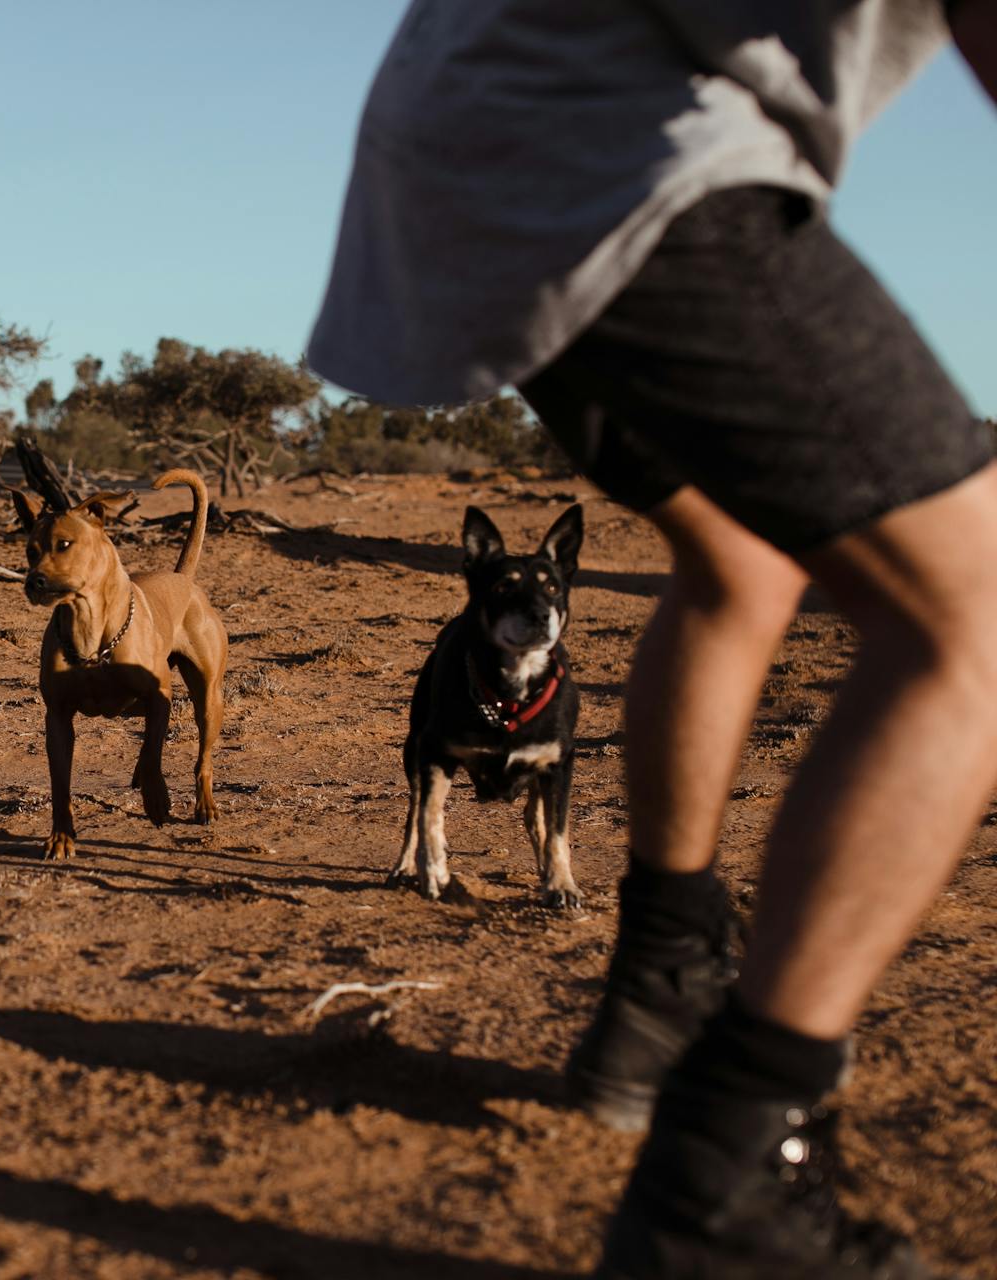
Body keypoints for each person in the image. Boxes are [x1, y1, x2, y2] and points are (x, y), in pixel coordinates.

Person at [308, 3, 997, 1276]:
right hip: (620, 153)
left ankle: (662, 981)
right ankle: (730, 1160)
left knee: (743, 558)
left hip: (469, 132)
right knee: (974, 617)